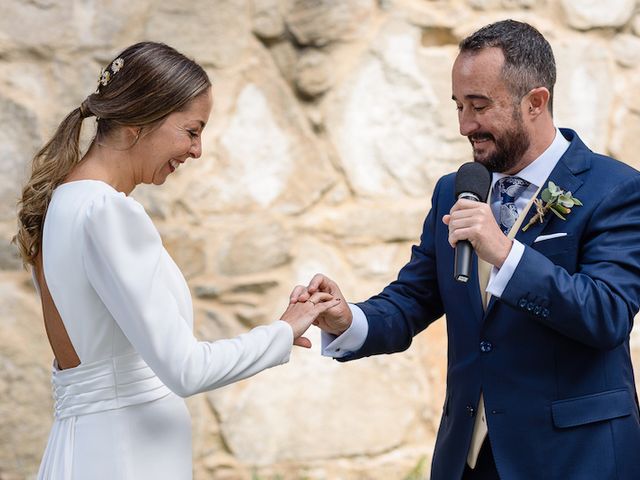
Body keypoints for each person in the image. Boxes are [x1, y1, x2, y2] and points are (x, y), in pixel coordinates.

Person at [291, 20, 640, 479]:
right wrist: (347, 318)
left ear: (535, 102)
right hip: (469, 460)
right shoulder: (454, 191)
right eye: (458, 106)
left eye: (479, 106)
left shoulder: (615, 189)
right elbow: (414, 298)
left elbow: (607, 314)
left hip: (575, 458)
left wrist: (504, 253)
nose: (464, 126)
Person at [15, 42, 339, 480]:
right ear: (138, 122)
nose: (197, 150)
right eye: (191, 130)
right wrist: (282, 331)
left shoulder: (64, 203)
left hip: (91, 445)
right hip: (127, 453)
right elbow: (185, 369)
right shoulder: (108, 212)